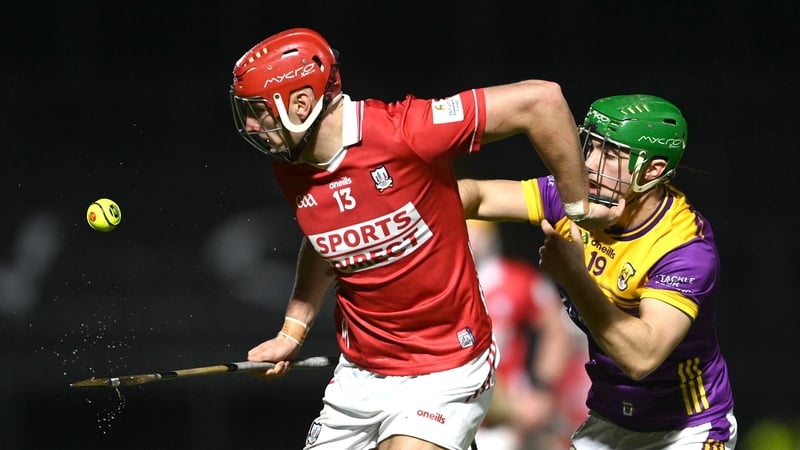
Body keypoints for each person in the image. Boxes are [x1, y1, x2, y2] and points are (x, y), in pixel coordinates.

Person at [228, 27, 620, 450]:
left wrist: (579, 214)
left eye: (257, 110)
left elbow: (541, 100)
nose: (249, 124)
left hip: (447, 367)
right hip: (359, 376)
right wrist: (291, 333)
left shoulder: (406, 129)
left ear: (301, 104)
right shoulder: (290, 168)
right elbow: (327, 241)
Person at [459, 94, 737, 449]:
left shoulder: (684, 248)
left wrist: (575, 276)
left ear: (652, 170)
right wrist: (405, 204)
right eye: (591, 146)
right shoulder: (577, 200)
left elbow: (642, 357)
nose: (589, 164)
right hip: (608, 420)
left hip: (686, 430)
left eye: (610, 153)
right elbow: (477, 195)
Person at [466, 219, 590, 450]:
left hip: (506, 418)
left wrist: (541, 388)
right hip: (455, 407)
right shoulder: (441, 285)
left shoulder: (516, 279)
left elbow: (557, 330)